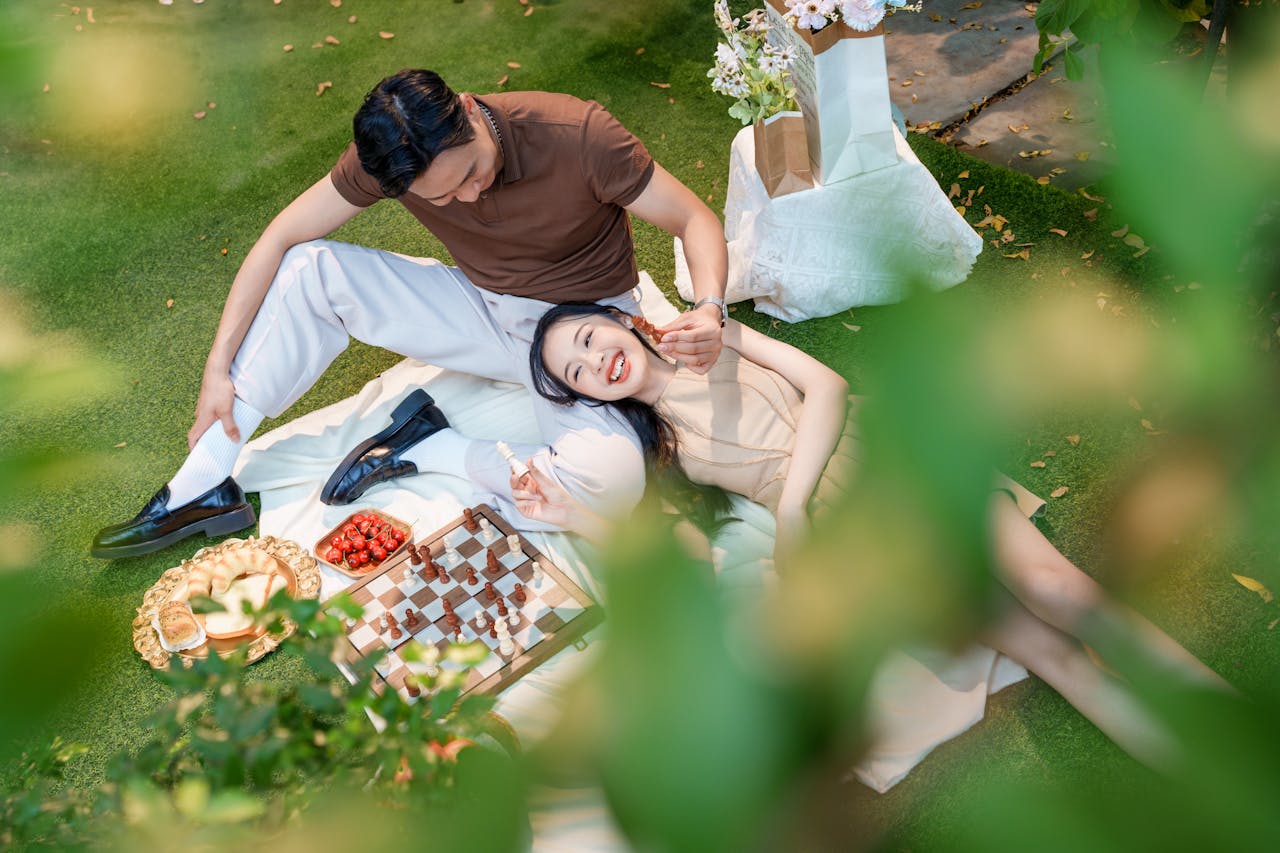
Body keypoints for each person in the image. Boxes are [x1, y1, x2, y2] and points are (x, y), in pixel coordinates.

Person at [516, 302, 1231, 769]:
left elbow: (825, 386)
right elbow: (677, 548)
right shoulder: (660, 453)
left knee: (1060, 589)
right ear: (591, 398)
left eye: (587, 338)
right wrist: (572, 514)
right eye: (578, 374)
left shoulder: (714, 335)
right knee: (1051, 653)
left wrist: (792, 509)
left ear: (617, 318)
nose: (595, 361)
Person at [90, 69, 730, 559]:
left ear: (468, 115)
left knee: (606, 486)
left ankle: (431, 444)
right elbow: (280, 239)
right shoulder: (390, 156)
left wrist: (708, 307)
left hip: (585, 337)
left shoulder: (578, 133)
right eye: (444, 197)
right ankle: (200, 486)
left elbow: (692, 218)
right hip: (487, 311)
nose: (469, 196)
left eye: (472, 172)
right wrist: (216, 370)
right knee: (315, 269)